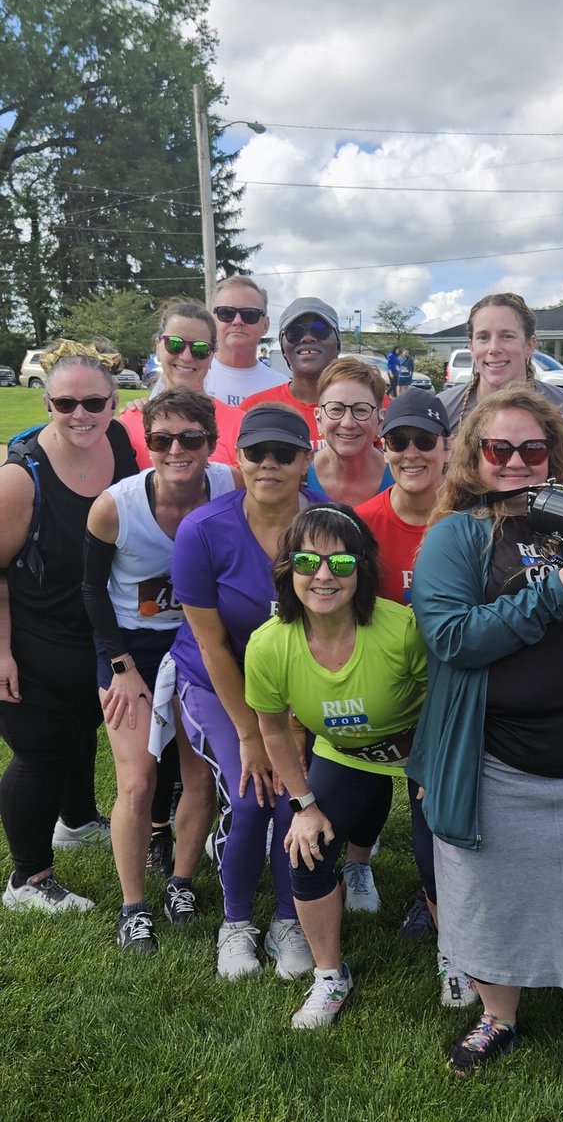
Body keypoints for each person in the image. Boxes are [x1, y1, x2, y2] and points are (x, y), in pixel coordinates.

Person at [408, 385, 563, 1122]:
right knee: (490, 898)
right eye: (498, 450)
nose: (516, 462)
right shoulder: (455, 535)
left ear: (555, 451)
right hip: (491, 758)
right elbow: (451, 637)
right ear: (475, 459)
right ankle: (497, 1017)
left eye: (532, 449)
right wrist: (548, 597)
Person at [244, 505, 428, 1029]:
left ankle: (453, 959)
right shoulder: (269, 643)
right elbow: (274, 729)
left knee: (439, 851)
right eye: (308, 561)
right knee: (307, 849)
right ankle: (330, 974)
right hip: (343, 752)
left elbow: (441, 700)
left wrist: (436, 774)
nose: (323, 575)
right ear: (289, 570)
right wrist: (302, 805)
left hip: (419, 750)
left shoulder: (400, 628)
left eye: (340, 563)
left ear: (362, 569)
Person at [82, 389, 239, 952]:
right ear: (147, 445)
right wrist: (121, 665)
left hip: (198, 641)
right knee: (139, 779)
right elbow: (91, 588)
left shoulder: (229, 485)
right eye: (162, 439)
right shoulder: (114, 506)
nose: (177, 449)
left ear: (211, 442)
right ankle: (133, 907)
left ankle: (181, 881)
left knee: (199, 775)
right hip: (131, 647)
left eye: (190, 438)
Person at [170, 405, 315, 979]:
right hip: (217, 681)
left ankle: (287, 918)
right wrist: (254, 734)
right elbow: (211, 646)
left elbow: (332, 630)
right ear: (239, 458)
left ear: (307, 459)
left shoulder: (327, 524)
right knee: (253, 788)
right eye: (257, 453)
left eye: (285, 453)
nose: (270, 464)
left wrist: (297, 726)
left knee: (295, 795)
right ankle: (235, 923)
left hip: (296, 688)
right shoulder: (203, 529)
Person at [0, 343, 137, 911]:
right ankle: (27, 881)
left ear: (114, 402)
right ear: (46, 402)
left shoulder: (125, 444)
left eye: (93, 402)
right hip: (32, 638)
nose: (80, 414)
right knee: (41, 753)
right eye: (64, 403)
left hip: (97, 631)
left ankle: (77, 822)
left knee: (80, 729)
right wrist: (1, 652)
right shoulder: (19, 478)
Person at [354, 389, 473, 1005]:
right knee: (355, 798)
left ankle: (454, 931)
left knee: (442, 819)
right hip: (389, 692)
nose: (410, 452)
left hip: (461, 690)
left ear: (447, 446)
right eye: (397, 441)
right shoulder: (367, 525)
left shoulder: (473, 518)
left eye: (424, 440)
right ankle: (359, 872)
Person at [120, 301, 242, 468]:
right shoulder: (128, 424)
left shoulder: (239, 425)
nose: (186, 357)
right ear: (158, 346)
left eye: (200, 348)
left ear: (213, 354)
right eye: (175, 344)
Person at [438, 293, 563, 433]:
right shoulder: (444, 408)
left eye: (507, 336)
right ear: (472, 347)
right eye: (483, 337)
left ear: (529, 345)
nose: (493, 349)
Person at [239, 297, 342, 450]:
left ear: (338, 343)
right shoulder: (253, 409)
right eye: (295, 332)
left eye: (320, 329)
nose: (307, 338)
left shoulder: (371, 406)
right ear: (283, 348)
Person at [306, 356, 392, 504]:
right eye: (336, 409)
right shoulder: (299, 479)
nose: (348, 423)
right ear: (318, 419)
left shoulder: (400, 479)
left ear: (380, 420)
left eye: (361, 410)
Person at [205, 275, 278, 406]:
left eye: (249, 314)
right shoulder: (189, 378)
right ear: (212, 321)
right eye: (226, 313)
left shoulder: (281, 386)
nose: (237, 321)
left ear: (265, 325)